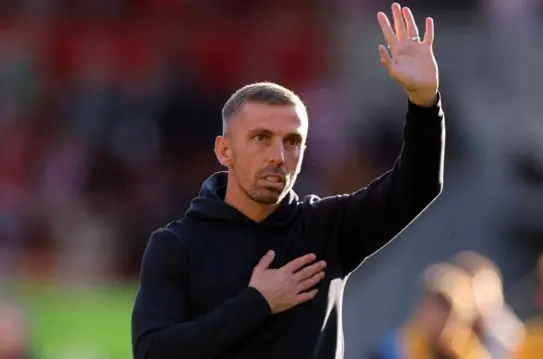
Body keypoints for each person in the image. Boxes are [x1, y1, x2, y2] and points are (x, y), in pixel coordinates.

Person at [131, 3, 445, 359]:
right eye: (261, 137)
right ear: (224, 151)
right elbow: (152, 353)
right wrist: (257, 302)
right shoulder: (177, 246)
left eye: (292, 141)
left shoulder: (327, 229)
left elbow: (418, 186)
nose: (278, 156)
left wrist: (424, 102)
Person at [370, 263, 489, 359]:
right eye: (433, 311)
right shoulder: (391, 350)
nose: (441, 326)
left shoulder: (467, 352)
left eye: (449, 319)